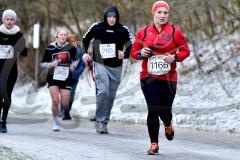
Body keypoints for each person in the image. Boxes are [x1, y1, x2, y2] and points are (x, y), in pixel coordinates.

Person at [131, 1, 190, 155]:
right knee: (153, 109)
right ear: (153, 13)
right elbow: (133, 52)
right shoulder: (143, 32)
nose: (162, 15)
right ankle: (154, 144)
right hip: (148, 77)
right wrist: (140, 53)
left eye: (165, 12)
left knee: (165, 110)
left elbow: (185, 51)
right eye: (159, 12)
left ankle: (168, 123)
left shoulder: (175, 32)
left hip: (168, 78)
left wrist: (175, 57)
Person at [82, 5, 132, 134]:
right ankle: (99, 121)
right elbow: (85, 39)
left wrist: (125, 54)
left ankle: (104, 123)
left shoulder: (123, 30)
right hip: (100, 64)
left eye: (114, 17)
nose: (111, 19)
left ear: (117, 17)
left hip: (116, 66)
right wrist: (84, 52)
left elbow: (131, 45)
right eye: (109, 16)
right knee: (103, 92)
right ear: (105, 17)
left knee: (110, 96)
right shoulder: (97, 27)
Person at [41, 27, 77, 131]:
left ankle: (60, 111)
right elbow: (42, 64)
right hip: (53, 78)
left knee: (65, 103)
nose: (63, 37)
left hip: (66, 78)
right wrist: (51, 64)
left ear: (67, 37)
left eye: (65, 35)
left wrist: (73, 66)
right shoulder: (50, 48)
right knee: (55, 100)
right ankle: (55, 122)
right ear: (57, 36)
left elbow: (76, 60)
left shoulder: (71, 48)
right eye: (61, 35)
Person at [0, 9, 28, 133]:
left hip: (11, 70)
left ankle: (3, 122)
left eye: (12, 19)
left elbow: (25, 53)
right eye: (7, 19)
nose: (9, 21)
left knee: (6, 96)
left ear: (14, 21)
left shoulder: (17, 34)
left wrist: (17, 44)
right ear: (4, 20)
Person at [62, 34, 85, 120]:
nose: (73, 43)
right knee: (65, 95)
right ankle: (66, 112)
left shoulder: (80, 52)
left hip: (74, 78)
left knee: (72, 95)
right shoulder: (65, 52)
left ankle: (67, 110)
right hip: (65, 78)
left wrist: (76, 73)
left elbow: (82, 65)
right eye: (71, 42)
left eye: (74, 42)